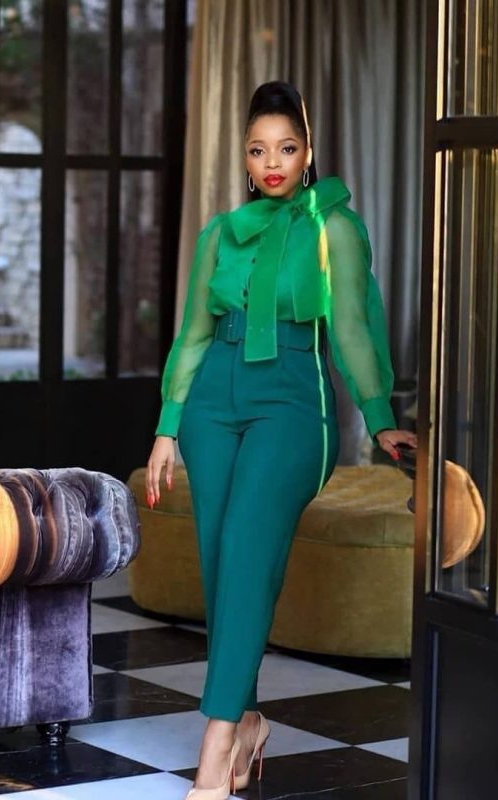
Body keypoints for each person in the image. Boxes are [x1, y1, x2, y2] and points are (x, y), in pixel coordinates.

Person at [145, 81, 417, 800]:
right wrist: (168, 428)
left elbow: (354, 325)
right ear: (243, 156)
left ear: (308, 151)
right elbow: (193, 334)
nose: (272, 163)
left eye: (286, 148)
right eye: (257, 150)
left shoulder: (335, 228)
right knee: (222, 564)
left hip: (293, 402)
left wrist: (379, 413)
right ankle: (247, 722)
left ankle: (212, 755)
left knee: (246, 548)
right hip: (212, 404)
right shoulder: (220, 233)